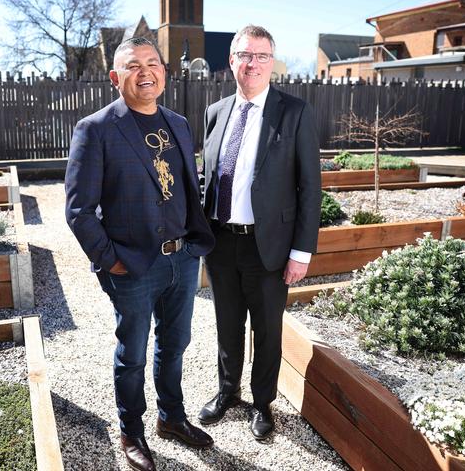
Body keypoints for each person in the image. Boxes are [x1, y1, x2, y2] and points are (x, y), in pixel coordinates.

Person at [65, 37, 215, 471]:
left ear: (164, 72)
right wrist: (110, 258)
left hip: (182, 260)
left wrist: (193, 246)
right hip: (131, 266)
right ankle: (131, 431)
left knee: (175, 343)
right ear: (116, 77)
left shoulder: (179, 124)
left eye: (153, 63)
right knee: (132, 352)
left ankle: (172, 418)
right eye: (134, 65)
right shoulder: (96, 129)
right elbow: (78, 209)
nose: (145, 72)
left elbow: (188, 187)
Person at [198, 25, 322, 441]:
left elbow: (310, 187)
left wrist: (301, 252)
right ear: (231, 61)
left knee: (267, 329)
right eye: (244, 55)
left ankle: (262, 402)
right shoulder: (215, 113)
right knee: (226, 324)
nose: (252, 64)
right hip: (221, 242)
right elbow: (208, 177)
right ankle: (227, 392)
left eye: (261, 56)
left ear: (272, 62)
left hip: (269, 246)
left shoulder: (294, 112)